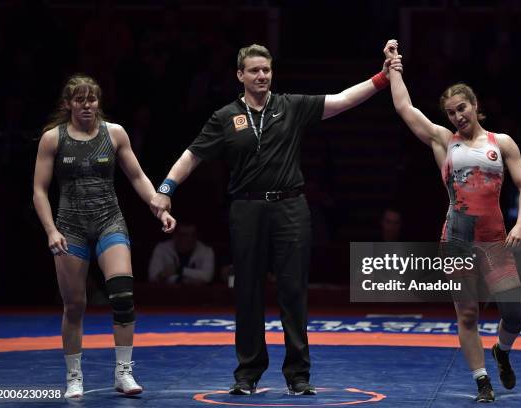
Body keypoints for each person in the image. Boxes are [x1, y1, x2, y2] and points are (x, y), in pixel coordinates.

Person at [150, 43, 402, 396]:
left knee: (293, 291)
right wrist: (165, 189)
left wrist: (382, 77)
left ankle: (298, 374)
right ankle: (248, 372)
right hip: (246, 209)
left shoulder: (290, 106)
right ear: (240, 75)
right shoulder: (224, 117)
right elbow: (192, 155)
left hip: (290, 209)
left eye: (266, 70)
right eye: (254, 71)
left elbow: (342, 100)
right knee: (248, 291)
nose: (262, 76)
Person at [384, 40, 521, 402]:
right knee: (467, 313)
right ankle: (482, 382)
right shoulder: (443, 141)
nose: (457, 117)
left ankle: (502, 351)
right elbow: (405, 108)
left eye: (461, 108)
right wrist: (394, 68)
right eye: (451, 112)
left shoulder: (503, 143)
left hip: (495, 237)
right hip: (457, 236)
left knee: (514, 315)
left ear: (475, 105)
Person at [33, 74, 176, 398]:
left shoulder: (115, 134)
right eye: (80, 100)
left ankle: (123, 372)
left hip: (109, 221)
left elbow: (137, 176)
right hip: (70, 227)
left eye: (92, 99)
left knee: (123, 297)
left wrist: (160, 208)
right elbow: (39, 191)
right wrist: (51, 231)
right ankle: (74, 376)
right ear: (68, 104)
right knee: (74, 305)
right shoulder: (52, 139)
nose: (87, 106)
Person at [148, 222, 215, 284]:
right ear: (175, 235)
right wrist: (181, 280)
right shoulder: (162, 248)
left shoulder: (206, 251)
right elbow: (153, 276)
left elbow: (207, 276)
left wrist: (178, 270)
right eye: (184, 235)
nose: (189, 239)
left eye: (193, 235)